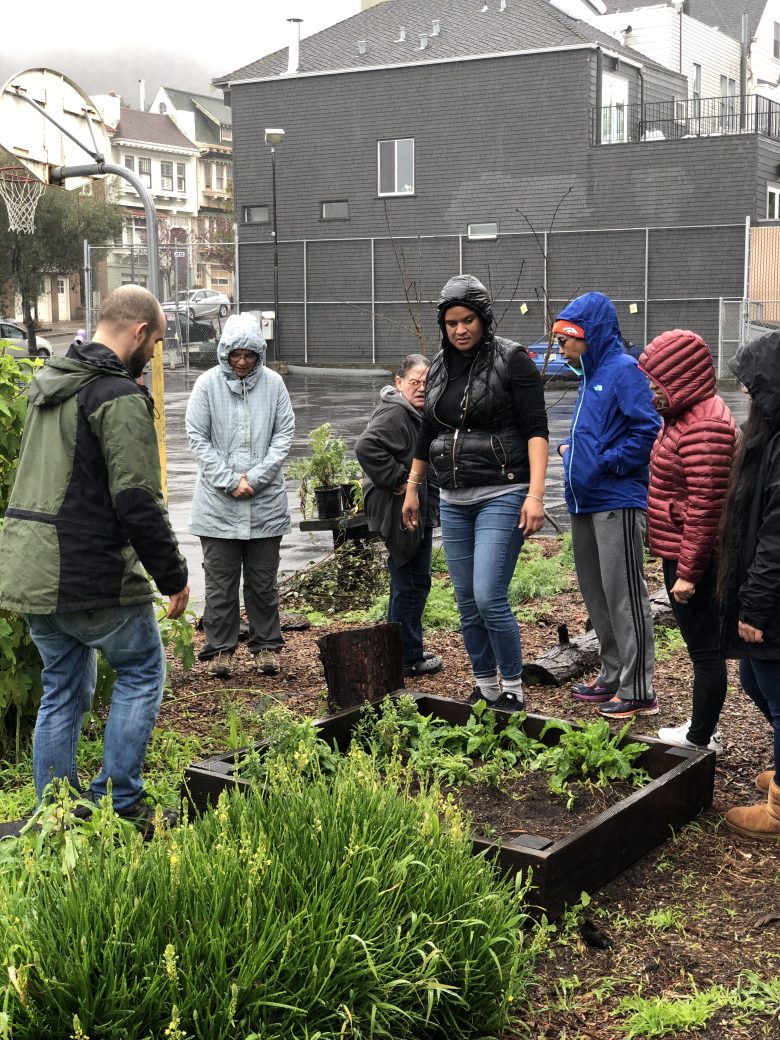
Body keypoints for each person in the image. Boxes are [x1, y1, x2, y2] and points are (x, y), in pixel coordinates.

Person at [0, 285, 190, 828]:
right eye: (154, 341)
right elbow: (136, 498)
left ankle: (56, 816)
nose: (154, 353)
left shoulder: (49, 386)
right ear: (137, 331)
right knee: (142, 669)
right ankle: (120, 802)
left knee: (62, 684)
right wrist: (173, 575)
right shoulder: (115, 395)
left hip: (30, 569)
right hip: (82, 569)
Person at [401, 274, 549, 711]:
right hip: (453, 497)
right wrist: (413, 488)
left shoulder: (513, 359)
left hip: (503, 492)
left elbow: (536, 430)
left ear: (483, 319)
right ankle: (485, 684)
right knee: (466, 600)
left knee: (489, 595)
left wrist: (536, 494)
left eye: (468, 320)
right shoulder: (440, 367)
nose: (460, 330)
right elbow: (428, 429)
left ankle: (513, 689)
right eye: (451, 323)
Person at [555, 292, 661, 718]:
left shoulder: (623, 371)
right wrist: (572, 450)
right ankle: (613, 674)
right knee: (597, 594)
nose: (561, 349)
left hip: (616, 500)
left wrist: (605, 463)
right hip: (585, 501)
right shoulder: (589, 376)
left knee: (624, 594)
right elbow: (599, 432)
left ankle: (639, 688)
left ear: (591, 336)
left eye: (568, 340)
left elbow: (647, 429)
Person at [638, 329, 737, 753]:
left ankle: (700, 738)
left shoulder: (705, 426)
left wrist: (689, 574)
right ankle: (701, 728)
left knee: (706, 651)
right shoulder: (683, 416)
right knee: (704, 648)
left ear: (679, 377)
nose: (650, 390)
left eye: (655, 382)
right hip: (680, 548)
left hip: (694, 557)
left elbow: (706, 506)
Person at [186, 312, 295, 680]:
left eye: (250, 354)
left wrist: (257, 478)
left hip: (265, 506)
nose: (243, 361)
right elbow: (197, 438)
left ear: (259, 354)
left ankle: (266, 647)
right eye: (236, 354)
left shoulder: (275, 385)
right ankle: (220, 650)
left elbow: (283, 436)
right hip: (218, 506)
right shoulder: (206, 386)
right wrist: (230, 480)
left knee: (263, 582)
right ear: (224, 353)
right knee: (220, 585)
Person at [718, 331, 780, 838]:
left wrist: (755, 607)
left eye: (752, 388)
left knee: (777, 694)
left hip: (775, 602)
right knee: (754, 682)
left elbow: (777, 537)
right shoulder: (768, 440)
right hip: (767, 597)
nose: (744, 397)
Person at [356, 354, 443, 678]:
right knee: (410, 580)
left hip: (415, 505)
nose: (421, 388)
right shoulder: (396, 412)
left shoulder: (417, 413)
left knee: (411, 580)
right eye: (414, 382)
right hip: (397, 508)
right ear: (399, 383)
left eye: (427, 382)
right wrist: (398, 479)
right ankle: (406, 657)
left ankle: (405, 650)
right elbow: (367, 447)